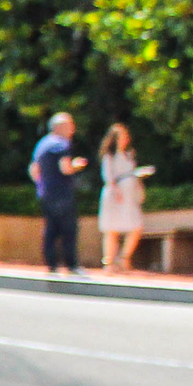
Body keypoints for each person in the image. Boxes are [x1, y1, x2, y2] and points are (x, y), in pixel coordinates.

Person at [31, 112, 89, 275]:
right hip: (62, 194)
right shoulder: (62, 145)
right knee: (68, 229)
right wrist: (76, 165)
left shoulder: (42, 145)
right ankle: (71, 265)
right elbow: (65, 168)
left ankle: (52, 265)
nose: (73, 129)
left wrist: (42, 185)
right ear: (61, 127)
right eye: (70, 125)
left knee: (51, 229)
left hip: (46, 193)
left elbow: (35, 170)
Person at [98, 122, 152, 273]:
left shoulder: (129, 155)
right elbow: (108, 176)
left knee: (136, 227)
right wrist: (116, 191)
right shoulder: (109, 156)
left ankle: (124, 258)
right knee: (112, 229)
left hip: (130, 195)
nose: (125, 140)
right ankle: (109, 263)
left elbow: (131, 173)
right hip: (115, 195)